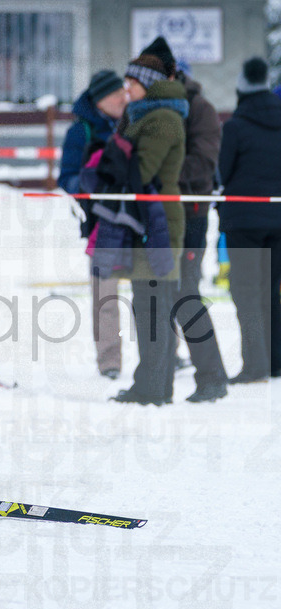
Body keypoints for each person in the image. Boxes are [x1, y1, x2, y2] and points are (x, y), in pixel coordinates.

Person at [140, 37, 228, 401]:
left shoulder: (200, 108)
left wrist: (162, 173)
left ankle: (212, 378)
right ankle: (154, 381)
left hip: (190, 215)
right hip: (155, 218)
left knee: (184, 295)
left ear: (171, 73)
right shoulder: (147, 108)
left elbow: (203, 163)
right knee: (150, 298)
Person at [107, 54, 188, 405]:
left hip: (158, 225)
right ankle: (154, 383)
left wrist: (111, 154)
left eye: (132, 84)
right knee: (149, 308)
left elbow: (142, 170)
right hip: (148, 221)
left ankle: (153, 388)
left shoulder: (162, 119)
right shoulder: (148, 115)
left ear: (149, 84)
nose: (126, 91)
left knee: (153, 308)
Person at [58, 69, 128, 380]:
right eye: (116, 94)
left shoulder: (134, 122)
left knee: (151, 290)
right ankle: (109, 361)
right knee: (105, 296)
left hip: (138, 218)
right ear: (100, 101)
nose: (122, 98)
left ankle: (168, 353)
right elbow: (67, 177)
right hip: (102, 223)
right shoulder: (80, 132)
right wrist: (93, 184)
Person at [218, 57, 281, 383]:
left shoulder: (235, 126)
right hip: (279, 220)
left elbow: (223, 172)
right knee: (272, 291)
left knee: (246, 291)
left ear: (242, 85)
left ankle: (255, 365)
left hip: (244, 221)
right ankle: (276, 361)